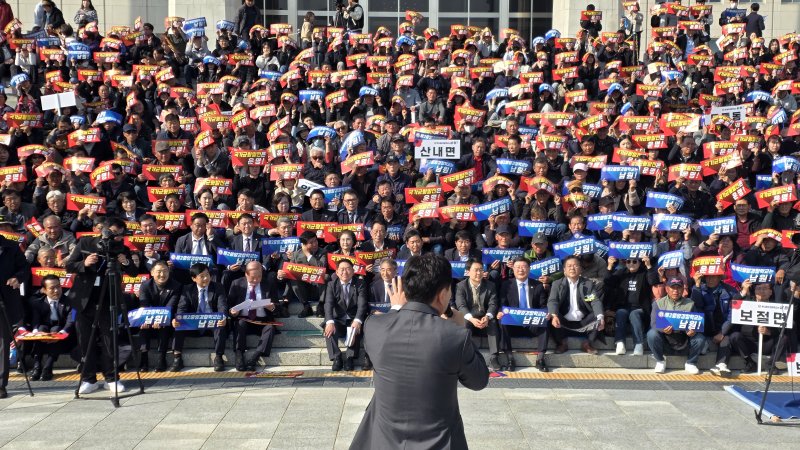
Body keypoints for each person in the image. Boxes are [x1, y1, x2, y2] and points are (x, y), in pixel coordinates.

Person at [350, 254, 488, 449]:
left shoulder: (374, 327)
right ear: (442, 294)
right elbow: (479, 380)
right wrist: (461, 327)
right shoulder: (455, 337)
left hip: (383, 440)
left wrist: (396, 309)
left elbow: (388, 330)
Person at [65, 217, 138, 395]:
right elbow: (68, 266)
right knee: (85, 340)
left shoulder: (123, 248)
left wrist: (125, 262)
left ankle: (112, 378)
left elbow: (134, 272)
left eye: (121, 235)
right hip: (85, 300)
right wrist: (84, 263)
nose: (117, 238)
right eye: (114, 234)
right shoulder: (85, 242)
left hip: (108, 299)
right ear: (103, 231)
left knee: (109, 340)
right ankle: (89, 379)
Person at [173, 263, 229, 372]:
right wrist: (178, 319)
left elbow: (222, 306)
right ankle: (177, 357)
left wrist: (223, 317)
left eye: (207, 274)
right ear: (194, 278)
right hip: (195, 323)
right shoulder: (187, 289)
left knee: (220, 324)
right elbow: (182, 307)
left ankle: (218, 357)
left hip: (212, 323)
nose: (206, 278)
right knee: (178, 323)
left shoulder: (217, 287)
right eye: (202, 276)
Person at [498, 257, 549, 372]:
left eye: (524, 267)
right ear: (513, 269)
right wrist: (500, 312)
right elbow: (502, 304)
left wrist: (546, 313)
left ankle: (540, 358)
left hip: (532, 324)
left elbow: (542, 306)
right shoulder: (507, 285)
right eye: (517, 267)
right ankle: (510, 358)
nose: (521, 270)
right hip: (513, 324)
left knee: (546, 320)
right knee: (501, 319)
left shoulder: (538, 285)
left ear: (529, 269)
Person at [647, 278, 707, 375]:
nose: (675, 291)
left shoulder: (690, 304)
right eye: (672, 288)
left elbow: (697, 323)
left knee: (700, 338)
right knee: (651, 334)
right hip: (666, 340)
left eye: (678, 288)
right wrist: (663, 330)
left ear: (683, 289)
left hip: (684, 341)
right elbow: (654, 323)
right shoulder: (658, 303)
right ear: (667, 289)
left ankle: (691, 362)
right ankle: (660, 360)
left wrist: (693, 330)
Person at [547, 255, 606, 355]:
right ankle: (561, 343)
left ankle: (587, 344)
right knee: (551, 315)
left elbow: (594, 301)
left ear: (581, 269)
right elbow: (553, 301)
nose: (572, 268)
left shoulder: (588, 283)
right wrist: (554, 315)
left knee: (597, 316)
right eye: (569, 266)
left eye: (575, 265)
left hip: (583, 322)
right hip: (564, 322)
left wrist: (601, 316)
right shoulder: (557, 283)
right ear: (564, 270)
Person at [228, 261, 278, 371]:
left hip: (262, 320)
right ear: (246, 274)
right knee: (239, 324)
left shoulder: (268, 284)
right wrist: (232, 312)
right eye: (252, 278)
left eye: (259, 277)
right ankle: (239, 355)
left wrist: (272, 307)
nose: (256, 280)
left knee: (270, 328)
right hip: (244, 319)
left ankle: (255, 357)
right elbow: (229, 305)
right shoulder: (237, 284)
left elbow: (277, 305)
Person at [25, 274, 76, 381]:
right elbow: (36, 321)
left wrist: (60, 334)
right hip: (44, 332)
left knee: (55, 329)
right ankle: (37, 366)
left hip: (63, 335)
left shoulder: (70, 301)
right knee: (41, 329)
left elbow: (70, 322)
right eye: (52, 288)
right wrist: (36, 334)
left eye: (58, 286)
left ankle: (48, 367)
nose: (56, 291)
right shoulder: (38, 303)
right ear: (44, 290)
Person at [455, 258, 502, 371]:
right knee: (464, 321)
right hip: (470, 319)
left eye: (481, 270)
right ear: (468, 272)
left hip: (484, 318)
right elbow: (461, 306)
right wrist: (471, 319)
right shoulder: (461, 286)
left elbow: (493, 304)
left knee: (493, 321)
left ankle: (494, 357)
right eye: (475, 270)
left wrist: (487, 316)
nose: (479, 273)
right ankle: (465, 356)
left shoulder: (490, 285)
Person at [136, 261, 182, 372]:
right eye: (159, 271)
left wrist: (160, 318)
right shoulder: (145, 285)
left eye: (165, 271)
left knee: (164, 327)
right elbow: (144, 305)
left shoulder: (176, 286)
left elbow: (171, 306)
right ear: (152, 273)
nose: (162, 274)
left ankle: (161, 359)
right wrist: (148, 319)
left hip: (167, 318)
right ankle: (144, 358)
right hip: (149, 317)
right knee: (143, 327)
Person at [323, 259, 368, 371]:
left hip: (352, 319)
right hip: (338, 319)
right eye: (341, 269)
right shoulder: (331, 285)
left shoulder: (360, 284)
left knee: (356, 327)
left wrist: (357, 320)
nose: (345, 272)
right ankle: (336, 357)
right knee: (328, 328)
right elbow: (328, 304)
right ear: (337, 272)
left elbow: (362, 304)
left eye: (348, 269)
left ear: (353, 271)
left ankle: (350, 358)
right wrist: (330, 321)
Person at [0, 230, 30, 398]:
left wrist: (17, 278)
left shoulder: (10, 246)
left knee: (3, 341)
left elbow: (24, 268)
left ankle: (0, 384)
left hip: (5, 299)